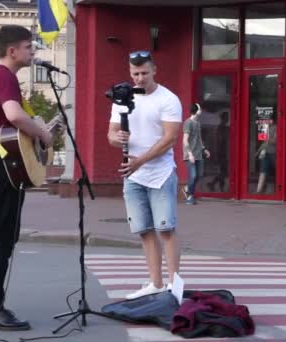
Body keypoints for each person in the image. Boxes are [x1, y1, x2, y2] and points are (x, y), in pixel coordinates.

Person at [0, 25, 53, 331]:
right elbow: (15, 116)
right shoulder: (6, 78)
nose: (33, 53)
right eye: (29, 47)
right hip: (1, 168)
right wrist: (43, 132)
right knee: (2, 240)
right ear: (12, 51)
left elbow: (12, 123)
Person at [107, 50, 182, 300]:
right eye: (135, 73)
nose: (139, 78)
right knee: (144, 230)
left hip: (160, 173)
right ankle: (155, 283)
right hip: (133, 174)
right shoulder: (122, 99)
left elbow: (170, 138)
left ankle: (174, 284)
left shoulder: (168, 99)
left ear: (154, 71)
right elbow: (111, 135)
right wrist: (116, 139)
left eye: (144, 73)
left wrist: (141, 160)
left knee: (166, 229)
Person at [182, 103, 210, 204]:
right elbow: (185, 140)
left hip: (198, 153)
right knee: (193, 176)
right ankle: (190, 196)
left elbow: (199, 139)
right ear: (196, 110)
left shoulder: (197, 123)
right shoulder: (188, 123)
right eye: (200, 108)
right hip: (191, 154)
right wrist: (189, 154)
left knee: (199, 175)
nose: (201, 110)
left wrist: (204, 149)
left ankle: (187, 188)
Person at [255, 122, 276, 194]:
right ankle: (259, 190)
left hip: (273, 152)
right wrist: (258, 151)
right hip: (264, 151)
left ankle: (273, 189)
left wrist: (267, 139)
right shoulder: (263, 127)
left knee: (275, 170)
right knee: (262, 169)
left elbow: (275, 141)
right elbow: (263, 142)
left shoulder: (276, 127)